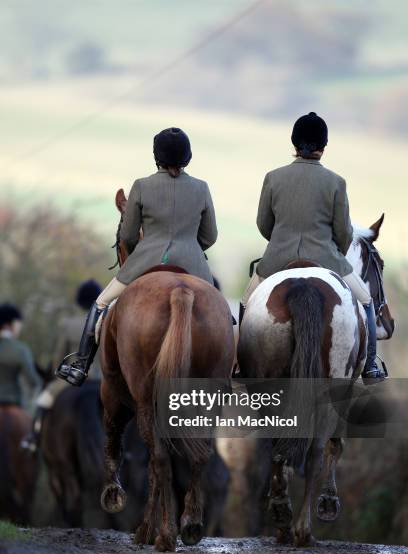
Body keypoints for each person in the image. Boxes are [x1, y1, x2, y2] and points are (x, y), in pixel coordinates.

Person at [56, 127, 218, 386]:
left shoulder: (142, 186)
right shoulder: (202, 187)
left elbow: (129, 235)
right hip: (194, 264)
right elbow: (210, 236)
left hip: (146, 260)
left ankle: (81, 364)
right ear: (188, 157)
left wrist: (141, 251)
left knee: (100, 303)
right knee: (222, 314)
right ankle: (232, 368)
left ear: (157, 157)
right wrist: (189, 247)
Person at [241, 111, 385, 381]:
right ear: (323, 146)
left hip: (277, 259)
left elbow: (264, 224)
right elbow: (343, 233)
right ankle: (371, 366)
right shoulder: (336, 182)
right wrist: (333, 250)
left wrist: (281, 240)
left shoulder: (273, 177)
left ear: (294, 144)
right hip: (327, 259)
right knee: (365, 300)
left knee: (248, 302)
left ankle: (240, 364)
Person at [21, 279, 103, 452]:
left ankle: (33, 438)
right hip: (103, 381)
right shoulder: (109, 322)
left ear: (80, 301)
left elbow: (60, 357)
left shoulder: (68, 324)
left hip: (72, 380)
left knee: (43, 401)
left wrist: (55, 373)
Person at [0, 303, 41, 409]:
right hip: (13, 400)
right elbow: (33, 380)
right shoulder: (20, 349)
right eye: (17, 323)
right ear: (8, 325)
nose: (19, 327)